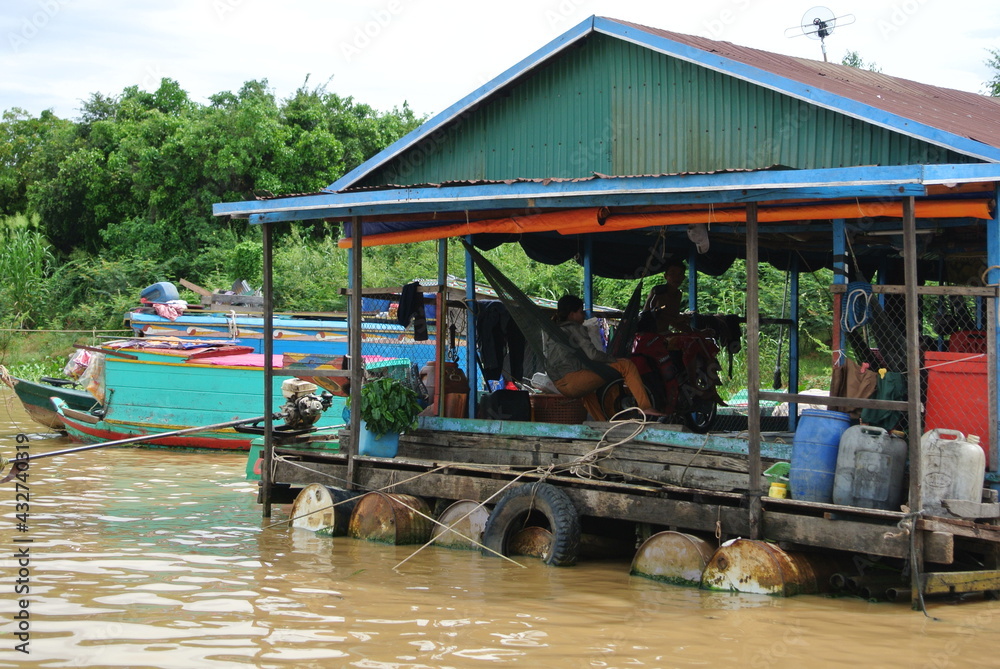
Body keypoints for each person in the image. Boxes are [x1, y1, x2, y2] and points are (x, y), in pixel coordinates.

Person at [543, 295, 658, 421]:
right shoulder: (574, 327)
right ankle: (645, 406)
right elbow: (592, 355)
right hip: (574, 380)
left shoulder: (553, 331)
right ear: (571, 314)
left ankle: (602, 423)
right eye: (581, 312)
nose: (583, 317)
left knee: (588, 393)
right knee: (626, 365)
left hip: (561, 385)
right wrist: (612, 359)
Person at [644, 260, 692, 333]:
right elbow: (649, 313)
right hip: (649, 335)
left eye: (680, 274)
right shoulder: (658, 291)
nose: (676, 277)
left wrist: (696, 332)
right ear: (666, 276)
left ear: (683, 277)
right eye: (672, 273)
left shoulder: (678, 294)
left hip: (664, 334)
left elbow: (673, 319)